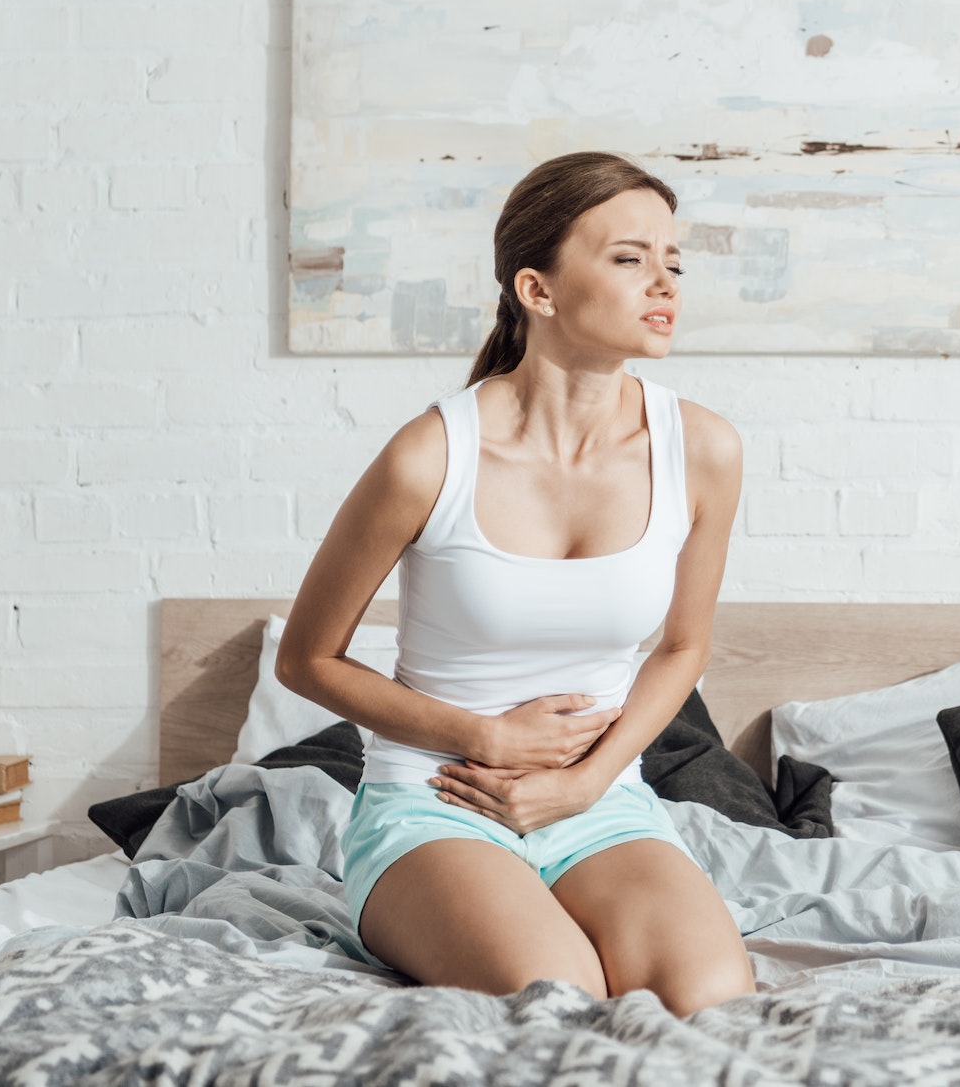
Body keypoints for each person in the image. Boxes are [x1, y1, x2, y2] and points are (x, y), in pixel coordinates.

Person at [276, 151, 754, 1015]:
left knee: (710, 998)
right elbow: (307, 660)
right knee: (558, 998)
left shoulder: (704, 449)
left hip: (602, 801)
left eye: (673, 261)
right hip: (436, 804)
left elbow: (684, 647)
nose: (665, 282)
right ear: (538, 289)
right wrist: (483, 737)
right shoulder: (431, 454)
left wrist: (584, 781)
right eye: (628, 258)